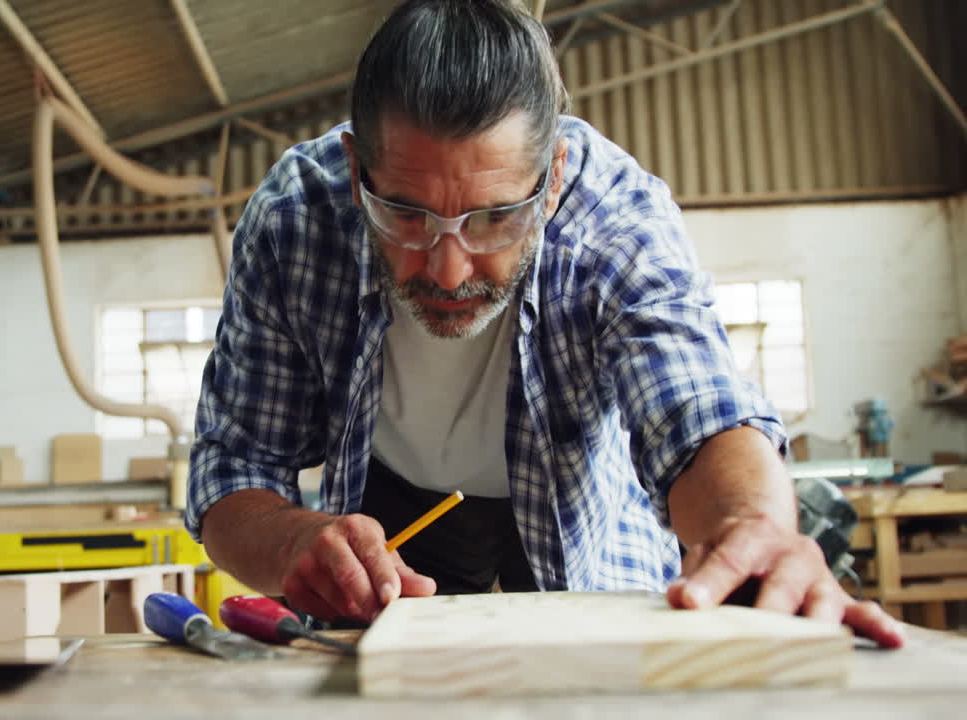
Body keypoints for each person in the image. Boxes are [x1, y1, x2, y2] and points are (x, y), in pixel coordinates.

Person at [186, 0, 901, 647]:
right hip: (384, 535)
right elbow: (233, 470)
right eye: (405, 215)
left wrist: (753, 528)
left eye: (495, 217)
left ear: (554, 176)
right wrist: (292, 545)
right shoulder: (293, 220)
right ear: (354, 170)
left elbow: (699, 412)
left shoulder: (617, 218)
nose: (449, 271)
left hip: (583, 537)